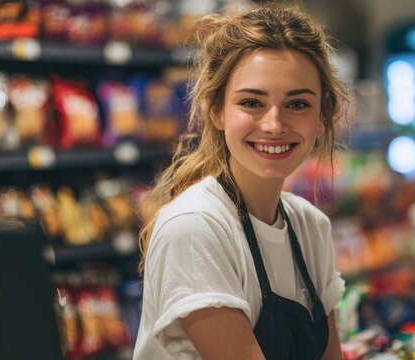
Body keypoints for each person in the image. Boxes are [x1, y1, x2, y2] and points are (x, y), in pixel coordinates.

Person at [134, 5, 349, 360]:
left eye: (297, 103)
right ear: (215, 110)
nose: (274, 125)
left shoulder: (311, 226)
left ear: (323, 115)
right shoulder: (195, 228)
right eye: (252, 102)